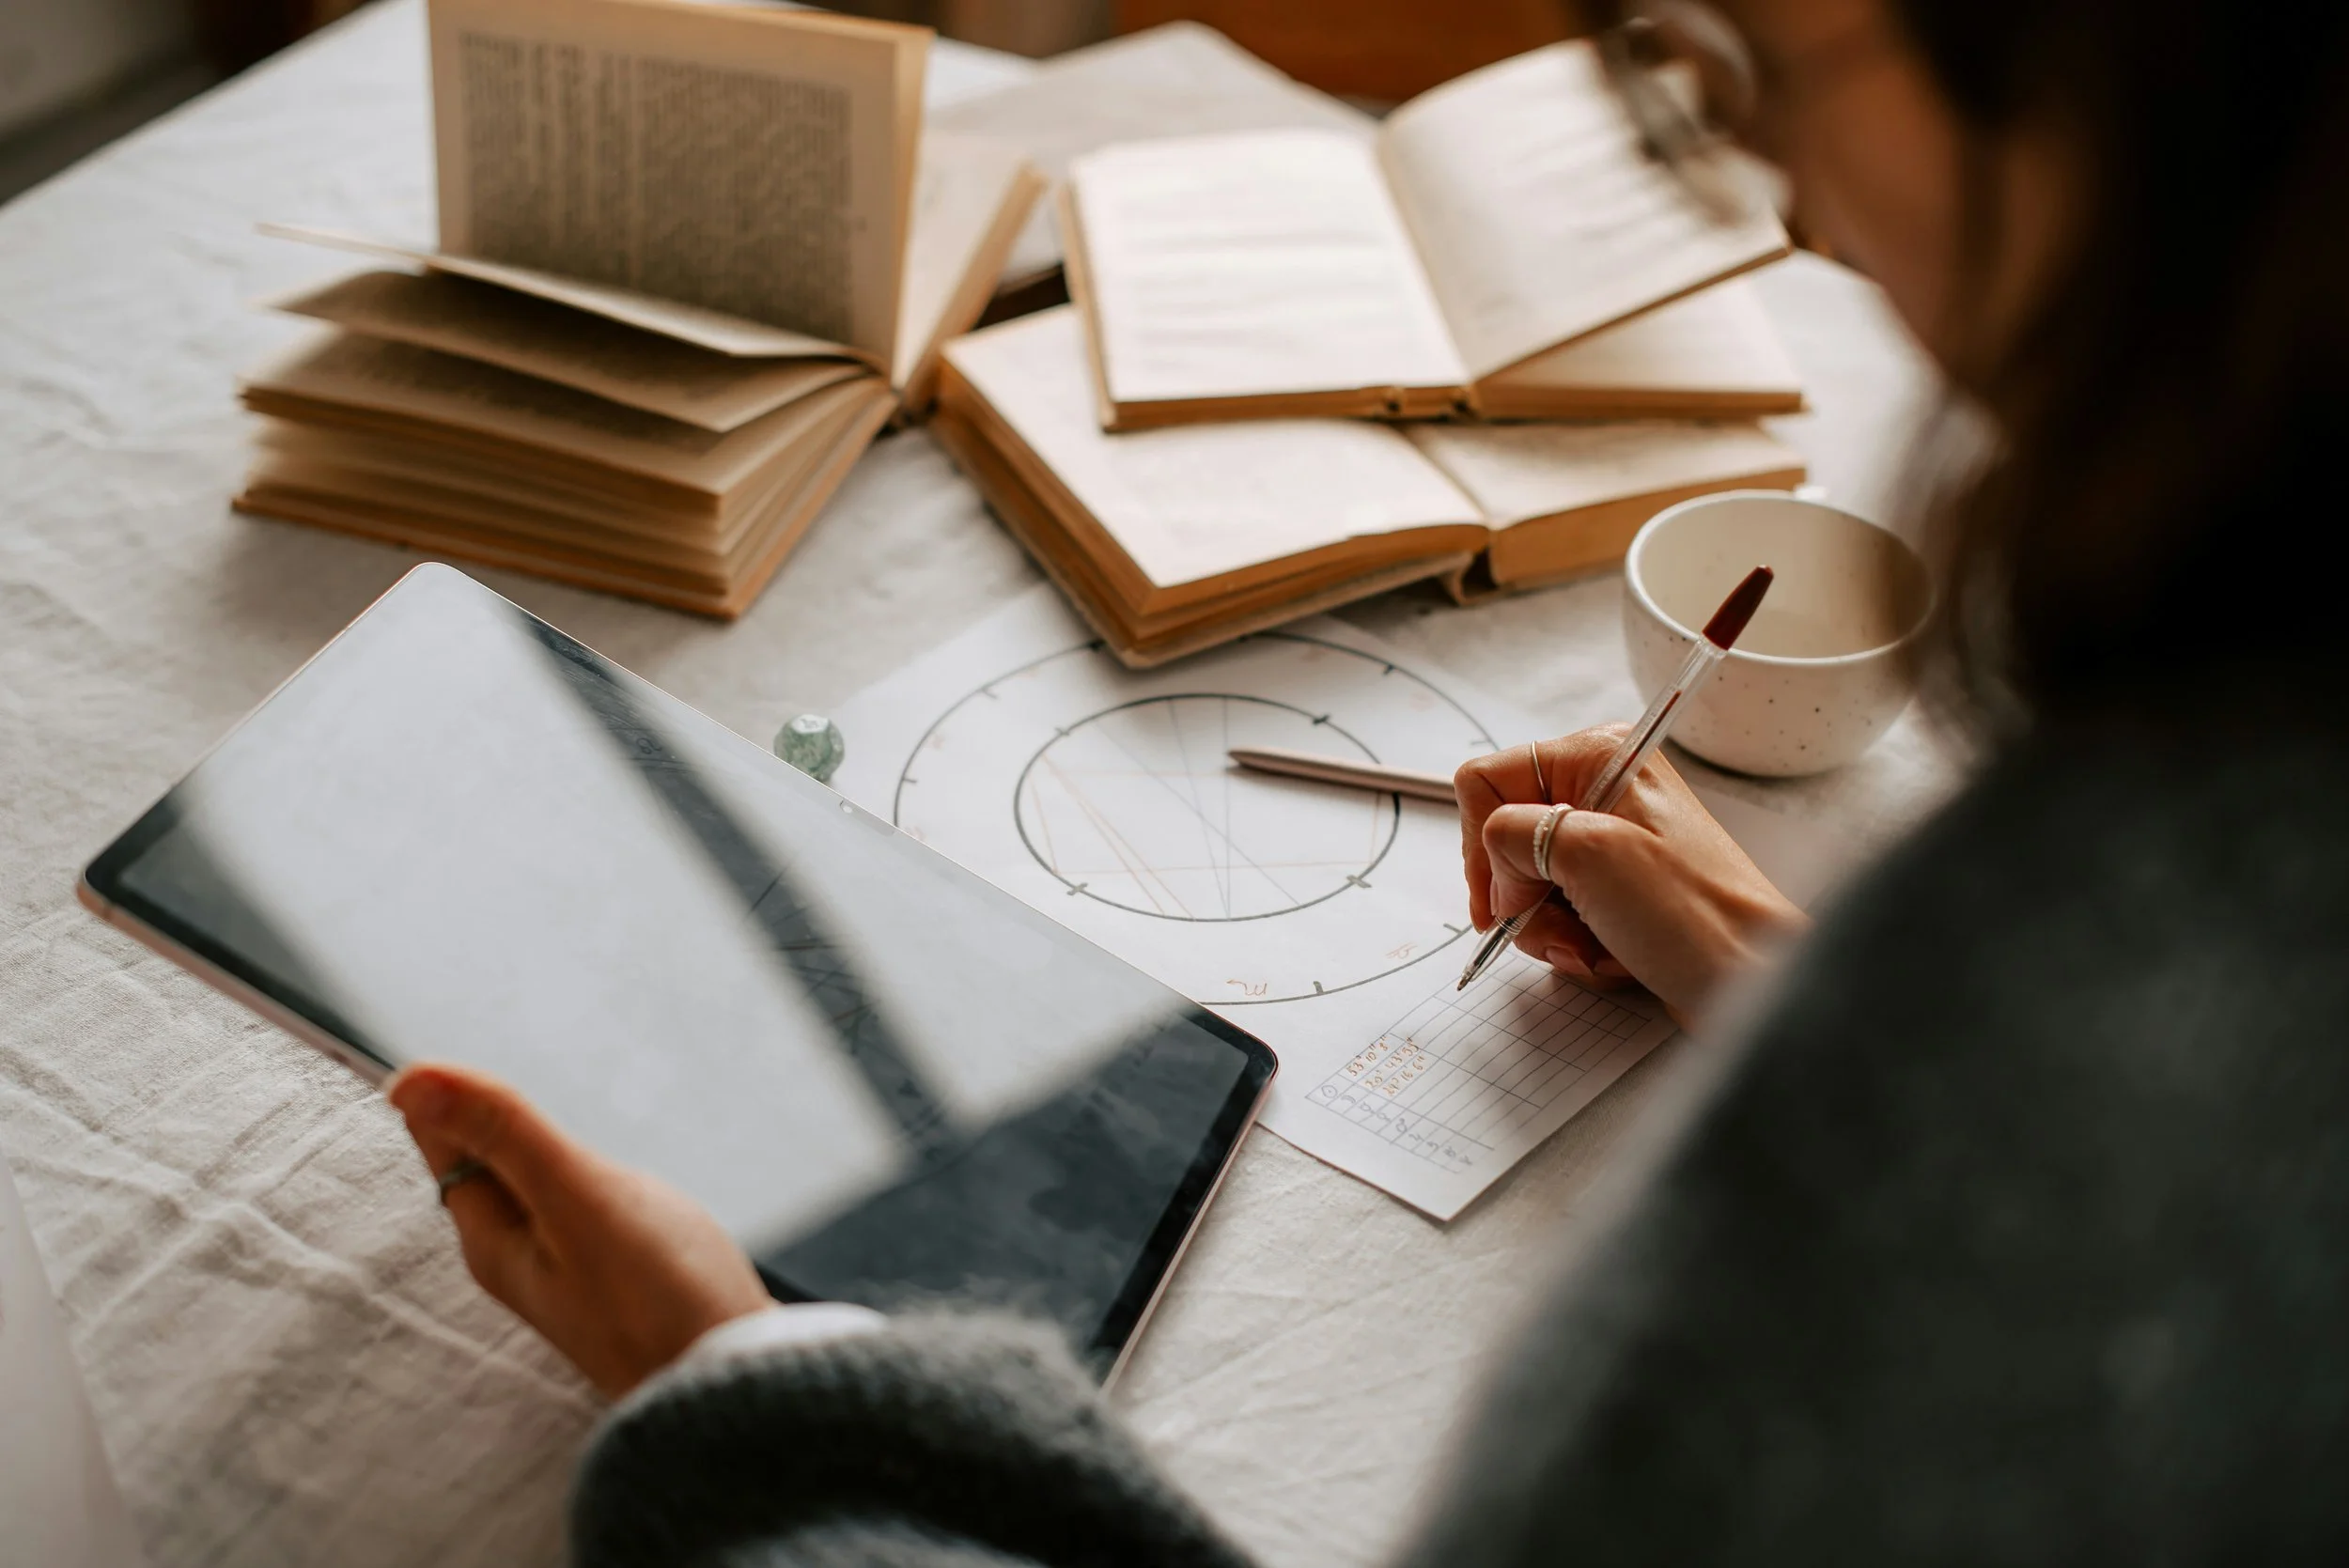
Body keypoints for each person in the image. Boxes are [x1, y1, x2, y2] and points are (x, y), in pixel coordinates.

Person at [386, 0, 2349, 1560]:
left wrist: (748, 1394)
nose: (1781, 202)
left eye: (1748, 66)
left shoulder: (2112, 1020)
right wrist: (1779, 971)